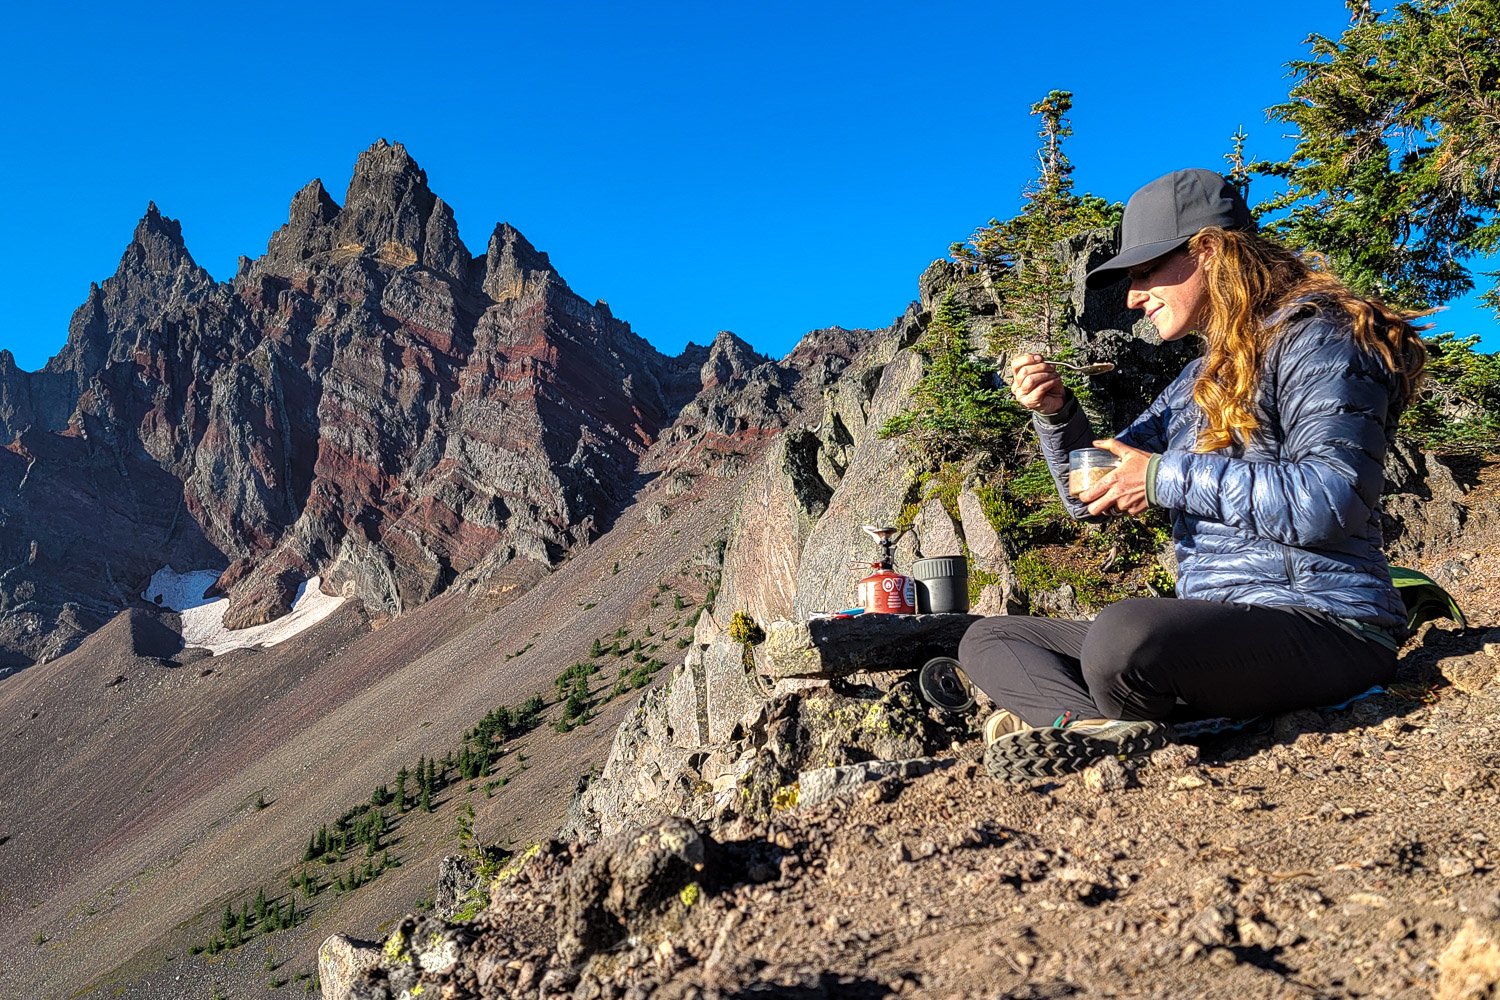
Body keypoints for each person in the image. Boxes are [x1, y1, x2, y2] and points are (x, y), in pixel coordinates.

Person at [957, 167, 1427, 780]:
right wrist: (1057, 414)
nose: (1133, 296)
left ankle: (1096, 718)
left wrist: (1160, 478)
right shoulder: (1194, 380)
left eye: (1146, 272)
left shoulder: (1323, 340)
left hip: (1328, 626)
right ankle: (1100, 733)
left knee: (1124, 635)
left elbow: (1331, 499)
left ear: (1205, 250)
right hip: (1219, 629)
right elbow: (1090, 490)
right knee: (988, 640)